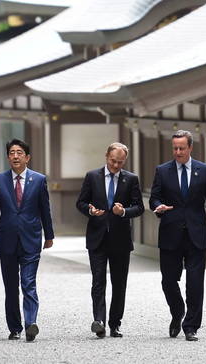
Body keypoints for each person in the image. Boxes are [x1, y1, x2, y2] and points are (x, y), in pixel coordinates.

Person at [149, 130, 206, 342]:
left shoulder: (204, 170)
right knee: (168, 281)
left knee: (195, 283)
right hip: (170, 233)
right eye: (175, 148)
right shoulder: (162, 171)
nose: (178, 152)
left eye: (182, 148)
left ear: (190, 148)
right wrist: (157, 206)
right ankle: (177, 311)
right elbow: (154, 197)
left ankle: (191, 326)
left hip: (196, 234)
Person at [0, 139, 54, 342]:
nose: (15, 156)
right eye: (12, 153)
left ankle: (30, 323)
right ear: (8, 157)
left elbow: (44, 209)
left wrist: (49, 235)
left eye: (20, 152)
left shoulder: (39, 180)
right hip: (6, 239)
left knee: (28, 282)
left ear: (27, 157)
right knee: (11, 286)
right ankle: (14, 327)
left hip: (31, 238)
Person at [76, 142, 144, 338]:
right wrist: (90, 210)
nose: (115, 166)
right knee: (98, 281)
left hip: (120, 239)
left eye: (120, 163)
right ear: (107, 156)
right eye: (113, 161)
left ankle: (115, 323)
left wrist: (123, 211)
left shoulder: (131, 179)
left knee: (119, 283)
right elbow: (80, 202)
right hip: (97, 237)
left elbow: (138, 207)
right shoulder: (92, 176)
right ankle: (99, 321)